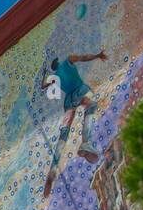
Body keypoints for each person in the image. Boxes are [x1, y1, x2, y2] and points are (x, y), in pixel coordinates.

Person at [41, 49, 107, 198]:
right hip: (79, 90)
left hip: (69, 100)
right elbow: (84, 57)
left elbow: (43, 86)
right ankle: (86, 142)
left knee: (64, 133)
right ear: (59, 62)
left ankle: (53, 170)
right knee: (91, 106)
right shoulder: (68, 61)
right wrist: (97, 55)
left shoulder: (54, 77)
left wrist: (45, 76)